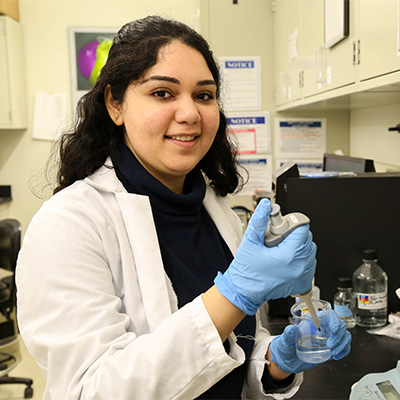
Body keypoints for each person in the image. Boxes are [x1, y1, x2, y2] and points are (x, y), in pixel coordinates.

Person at [16, 15, 351, 400]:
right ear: (114, 104)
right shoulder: (67, 225)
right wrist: (232, 295)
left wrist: (275, 362)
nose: (190, 113)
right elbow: (90, 391)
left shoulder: (215, 209)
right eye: (162, 93)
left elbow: (233, 347)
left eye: (204, 95)